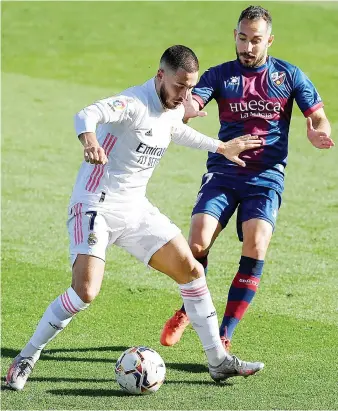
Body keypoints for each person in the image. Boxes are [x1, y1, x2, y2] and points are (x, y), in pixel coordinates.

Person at [6, 45, 265, 391]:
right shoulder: (133, 104)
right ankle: (26, 356)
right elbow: (86, 114)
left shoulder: (174, 105)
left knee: (191, 270)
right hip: (95, 205)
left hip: (135, 209)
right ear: (160, 75)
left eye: (191, 88)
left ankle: (217, 360)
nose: (186, 96)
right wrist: (89, 141)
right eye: (179, 87)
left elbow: (175, 130)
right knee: (85, 292)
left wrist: (220, 146)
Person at [160, 7, 334, 349]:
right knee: (197, 243)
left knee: (256, 246)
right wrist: (186, 111)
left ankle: (224, 335)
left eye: (256, 40)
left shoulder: (289, 75)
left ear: (269, 40)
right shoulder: (221, 75)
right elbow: (191, 102)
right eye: (242, 39)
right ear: (235, 36)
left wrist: (318, 132)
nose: (248, 47)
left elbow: (320, 118)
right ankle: (187, 310)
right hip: (224, 170)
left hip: (266, 177)